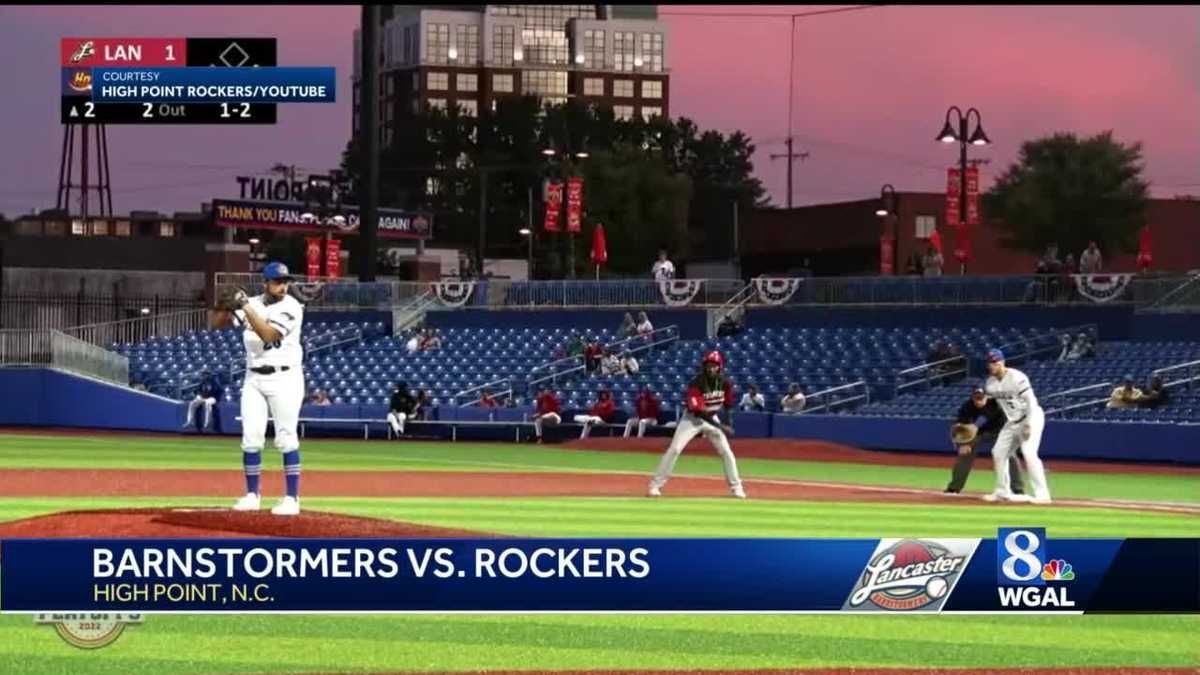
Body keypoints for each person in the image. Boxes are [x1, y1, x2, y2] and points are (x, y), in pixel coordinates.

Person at [218, 261, 306, 516]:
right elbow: (218, 323)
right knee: (251, 439)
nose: (283, 286)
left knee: (286, 437)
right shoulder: (254, 303)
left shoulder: (291, 307)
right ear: (265, 282)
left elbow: (269, 335)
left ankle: (291, 499)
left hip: (285, 378)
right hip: (253, 378)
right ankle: (252, 495)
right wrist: (224, 304)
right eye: (278, 281)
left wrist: (243, 305)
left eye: (285, 281)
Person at [648, 350, 746, 499]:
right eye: (709, 365)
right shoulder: (696, 383)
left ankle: (737, 488)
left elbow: (728, 405)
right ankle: (655, 485)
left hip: (712, 418)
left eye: (714, 365)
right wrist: (720, 427)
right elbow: (699, 412)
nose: (711, 368)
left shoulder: (725, 383)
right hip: (692, 420)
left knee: (726, 452)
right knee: (675, 449)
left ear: (720, 367)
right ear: (704, 366)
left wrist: (728, 422)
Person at [983, 348, 1051, 504]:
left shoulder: (1017, 377)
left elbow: (1031, 401)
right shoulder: (990, 383)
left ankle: (1043, 495)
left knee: (1028, 452)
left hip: (1031, 417)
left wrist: (1028, 424)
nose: (992, 365)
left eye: (995, 362)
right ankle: (1002, 491)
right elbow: (988, 401)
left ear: (1002, 362)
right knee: (998, 452)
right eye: (990, 363)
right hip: (1012, 421)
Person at [945, 385, 1025, 495]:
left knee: (1010, 455)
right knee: (964, 454)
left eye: (981, 398)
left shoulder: (995, 403)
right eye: (976, 398)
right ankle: (954, 487)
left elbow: (985, 416)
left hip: (1000, 432)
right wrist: (962, 444)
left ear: (987, 396)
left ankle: (1017, 489)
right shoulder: (967, 406)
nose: (978, 401)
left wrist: (975, 426)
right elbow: (960, 426)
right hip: (977, 434)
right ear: (972, 397)